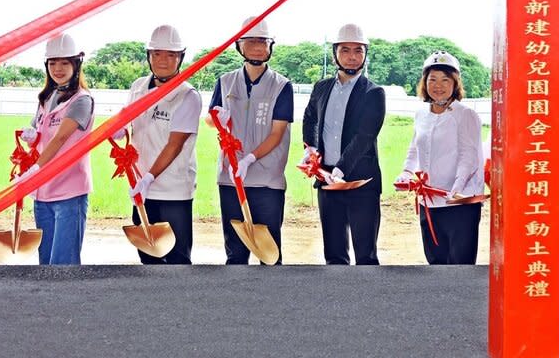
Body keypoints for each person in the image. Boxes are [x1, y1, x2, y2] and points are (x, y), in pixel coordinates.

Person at [208, 17, 293, 264]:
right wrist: (217, 120)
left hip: (267, 181)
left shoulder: (281, 86)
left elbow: (277, 132)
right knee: (235, 252)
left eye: (263, 41)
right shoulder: (225, 82)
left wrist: (249, 159)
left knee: (270, 253)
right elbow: (211, 118)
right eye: (251, 41)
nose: (257, 46)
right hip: (231, 179)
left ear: (270, 46)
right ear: (240, 46)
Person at [301, 23, 385, 265]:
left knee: (365, 255)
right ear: (335, 53)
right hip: (327, 182)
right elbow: (310, 119)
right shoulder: (322, 87)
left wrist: (340, 169)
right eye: (345, 50)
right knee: (334, 254)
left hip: (362, 184)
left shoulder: (373, 93)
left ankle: (367, 302)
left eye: (358, 50)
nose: (351, 57)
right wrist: (311, 150)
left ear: (365, 54)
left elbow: (364, 137)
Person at [124, 24, 202, 264]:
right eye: (157, 53)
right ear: (149, 56)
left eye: (171, 55)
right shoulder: (138, 87)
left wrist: (149, 178)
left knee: (177, 258)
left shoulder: (187, 95)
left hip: (172, 190)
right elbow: (129, 124)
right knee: (147, 256)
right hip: (140, 188)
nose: (163, 61)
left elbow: (175, 144)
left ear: (180, 58)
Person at [396, 51, 484, 264]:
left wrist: (458, 187)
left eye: (445, 79)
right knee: (435, 262)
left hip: (460, 203)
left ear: (455, 83)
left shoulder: (465, 114)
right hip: (429, 202)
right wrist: (406, 173)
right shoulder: (421, 114)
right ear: (424, 83)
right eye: (432, 79)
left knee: (459, 265)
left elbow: (469, 155)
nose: (438, 85)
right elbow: (415, 150)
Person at [14, 34, 94, 265]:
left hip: (69, 191)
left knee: (63, 264)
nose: (57, 68)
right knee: (45, 261)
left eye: (64, 62)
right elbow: (38, 129)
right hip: (43, 191)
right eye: (52, 63)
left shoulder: (81, 100)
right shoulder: (47, 96)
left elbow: (59, 139)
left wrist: (35, 169)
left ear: (76, 65)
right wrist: (30, 136)